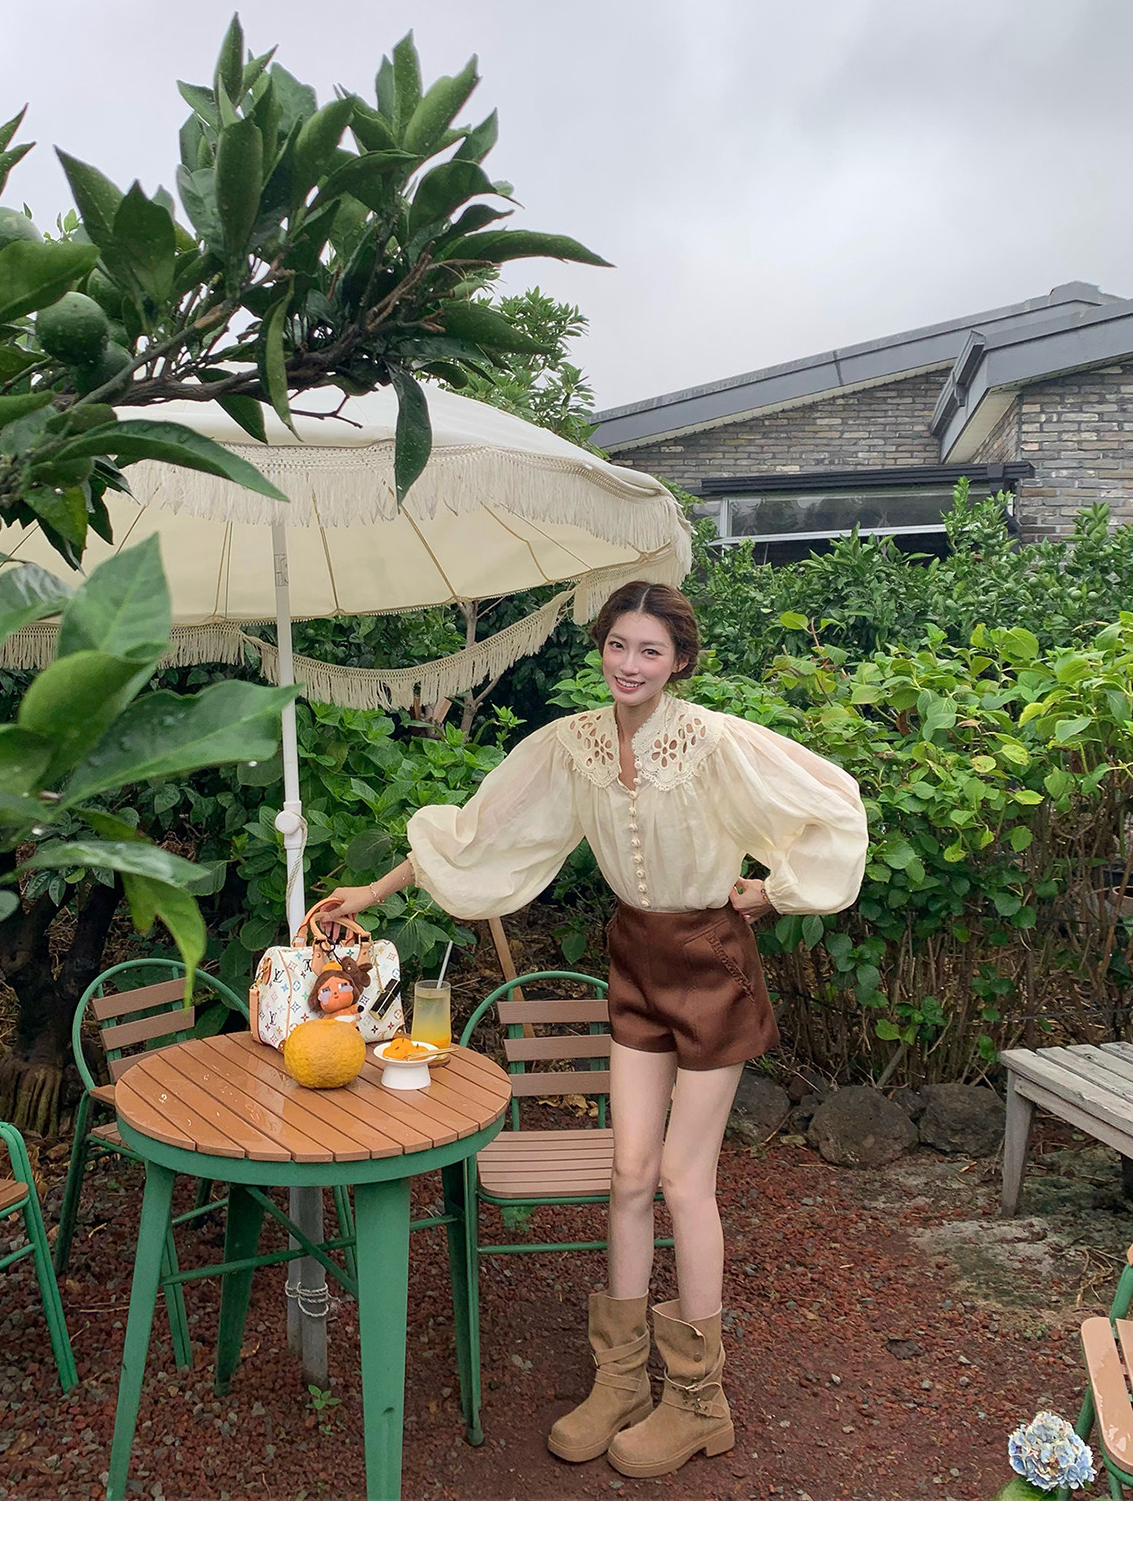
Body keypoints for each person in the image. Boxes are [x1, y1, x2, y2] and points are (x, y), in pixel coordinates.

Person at [311, 580, 868, 1479]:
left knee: (685, 1179)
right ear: (600, 647)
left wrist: (776, 890)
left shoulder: (713, 740)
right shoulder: (574, 745)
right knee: (627, 1172)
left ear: (678, 661)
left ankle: (699, 1401)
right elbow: (483, 832)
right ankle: (621, 1380)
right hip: (635, 958)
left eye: (650, 650)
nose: (629, 664)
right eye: (618, 645)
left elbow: (833, 807)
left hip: (711, 964)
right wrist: (375, 891)